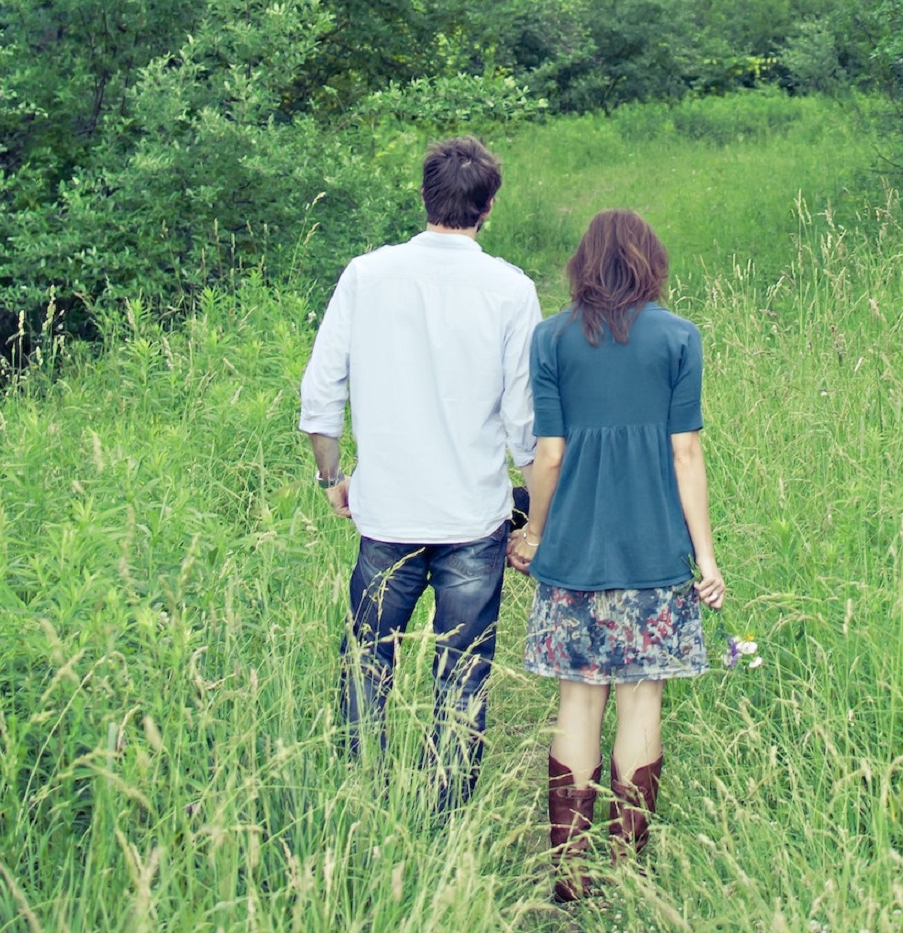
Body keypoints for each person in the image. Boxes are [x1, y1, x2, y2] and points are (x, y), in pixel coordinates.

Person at [298, 136, 541, 813]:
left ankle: (361, 802)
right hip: (473, 519)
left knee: (367, 662)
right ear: (488, 207)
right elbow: (526, 426)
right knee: (462, 672)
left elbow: (320, 394)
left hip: (387, 513)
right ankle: (446, 815)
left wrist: (331, 478)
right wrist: (539, 524)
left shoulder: (366, 275)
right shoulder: (511, 290)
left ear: (424, 196)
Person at [507, 209, 725, 901]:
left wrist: (534, 534)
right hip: (655, 555)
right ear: (649, 262)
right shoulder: (679, 337)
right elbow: (686, 453)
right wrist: (706, 559)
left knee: (577, 703)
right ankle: (627, 872)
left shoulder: (552, 338)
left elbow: (549, 454)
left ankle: (570, 877)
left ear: (582, 265)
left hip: (573, 554)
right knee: (641, 702)